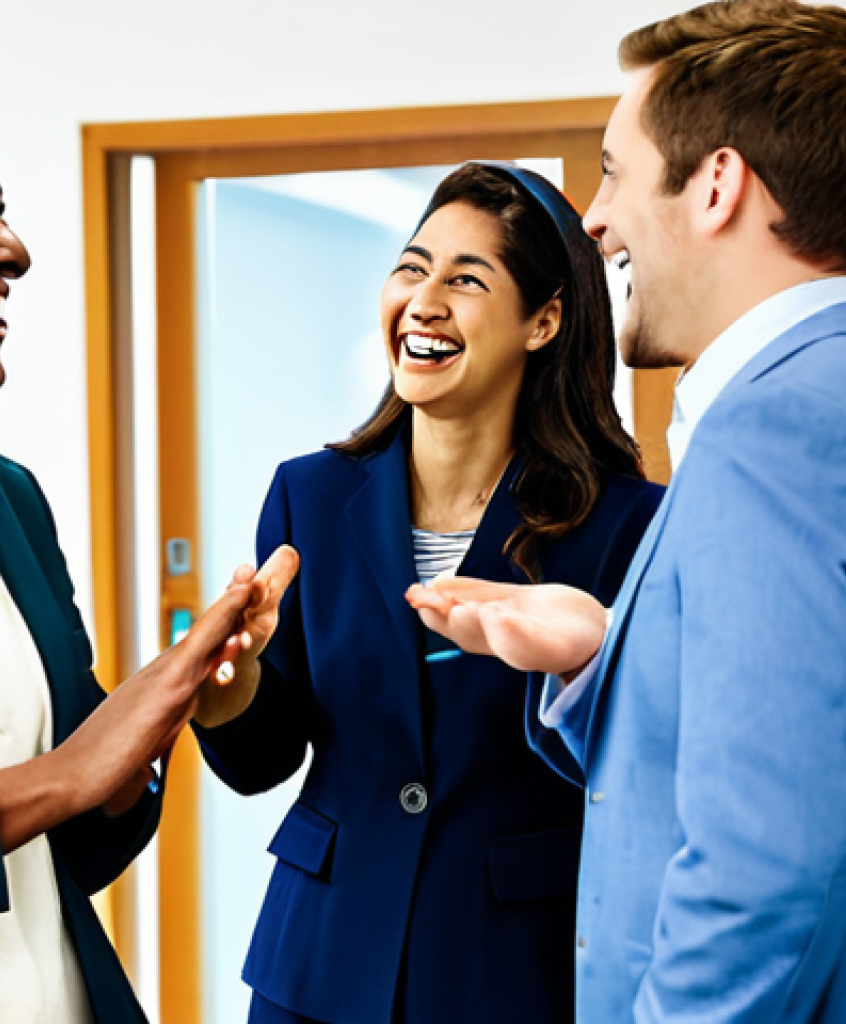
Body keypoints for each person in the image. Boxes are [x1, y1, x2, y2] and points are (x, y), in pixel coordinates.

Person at [408, 3, 846, 1021]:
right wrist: (604, 659)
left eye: (616, 172)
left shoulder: (780, 429)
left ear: (716, 185)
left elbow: (771, 862)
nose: (593, 217)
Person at [0, 68, 297, 1024]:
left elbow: (78, 844)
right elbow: (54, 783)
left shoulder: (6, 501)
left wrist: (158, 714)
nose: (10, 249)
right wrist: (60, 776)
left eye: (3, 212)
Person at [192, 161, 663, 1023]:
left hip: (513, 968)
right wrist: (229, 686)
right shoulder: (310, 497)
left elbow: (644, 764)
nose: (425, 300)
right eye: (412, 267)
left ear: (545, 319)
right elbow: (265, 756)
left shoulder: (629, 525)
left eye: (466, 279)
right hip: (319, 965)